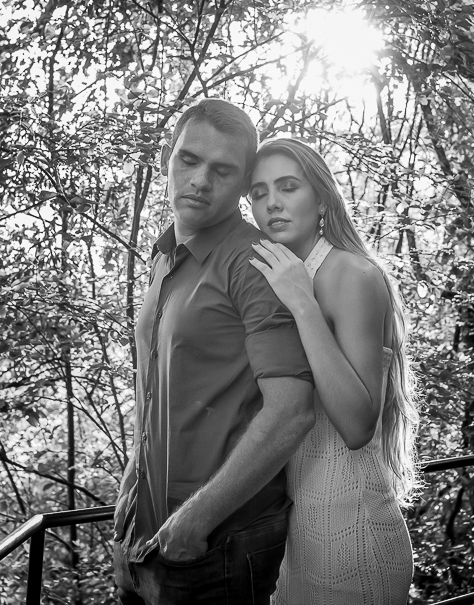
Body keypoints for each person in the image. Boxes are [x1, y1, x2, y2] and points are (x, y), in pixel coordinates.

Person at [112, 101, 316, 604]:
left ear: (243, 184)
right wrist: (130, 496)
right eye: (189, 160)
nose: (200, 180)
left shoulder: (253, 263)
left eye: (222, 171)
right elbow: (154, 390)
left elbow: (292, 412)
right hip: (146, 534)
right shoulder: (165, 256)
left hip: (215, 542)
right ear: (167, 157)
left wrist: (196, 520)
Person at [247, 136, 419, 605]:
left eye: (288, 187)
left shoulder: (352, 274)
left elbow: (358, 425)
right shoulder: (271, 278)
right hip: (292, 543)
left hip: (353, 538)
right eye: (259, 193)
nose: (272, 202)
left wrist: (303, 304)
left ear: (322, 199)